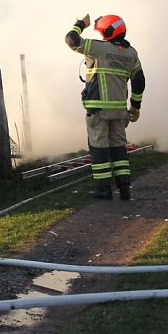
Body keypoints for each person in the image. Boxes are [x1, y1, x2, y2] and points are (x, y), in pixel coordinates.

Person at [65, 14, 145, 200]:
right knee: (118, 148)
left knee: (99, 147)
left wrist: (80, 24)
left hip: (98, 110)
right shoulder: (131, 53)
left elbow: (71, 39)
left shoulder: (99, 48)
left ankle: (104, 190)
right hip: (120, 111)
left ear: (108, 31)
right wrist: (135, 106)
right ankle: (124, 188)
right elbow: (139, 80)